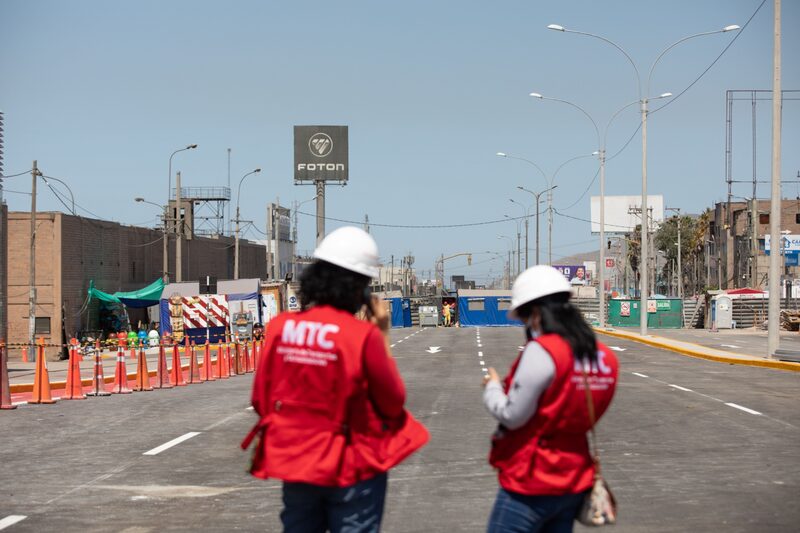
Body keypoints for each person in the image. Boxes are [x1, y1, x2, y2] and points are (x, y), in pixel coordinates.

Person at [242, 226, 429, 533]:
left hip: (298, 463)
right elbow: (393, 403)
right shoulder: (361, 335)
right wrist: (381, 333)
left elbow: (260, 400)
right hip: (350, 467)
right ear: (360, 289)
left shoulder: (280, 327)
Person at [482, 265, 619, 533]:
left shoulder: (544, 350)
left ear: (535, 313)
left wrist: (492, 389)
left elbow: (512, 415)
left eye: (523, 317)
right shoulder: (605, 357)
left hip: (533, 478)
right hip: (575, 478)